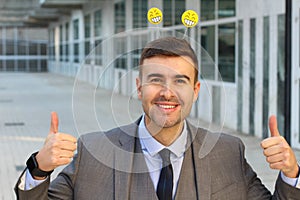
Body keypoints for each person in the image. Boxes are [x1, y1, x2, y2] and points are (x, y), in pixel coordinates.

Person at [15, 37, 300, 199]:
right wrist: (39, 168)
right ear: (139, 88)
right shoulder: (93, 151)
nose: (167, 92)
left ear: (196, 90)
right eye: (155, 80)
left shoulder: (228, 152)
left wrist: (291, 174)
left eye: (180, 81)